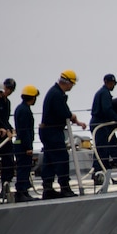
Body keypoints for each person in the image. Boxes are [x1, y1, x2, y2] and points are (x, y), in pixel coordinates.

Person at [39, 70, 86, 199]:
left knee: (49, 159)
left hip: (48, 131)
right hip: (52, 132)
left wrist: (75, 120)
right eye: (72, 84)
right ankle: (64, 187)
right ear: (68, 83)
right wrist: (73, 116)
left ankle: (47, 188)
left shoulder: (54, 93)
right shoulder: (57, 95)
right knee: (61, 158)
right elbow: (63, 112)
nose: (72, 86)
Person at [90, 74, 117, 176]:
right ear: (107, 82)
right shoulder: (105, 94)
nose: (113, 85)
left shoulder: (102, 93)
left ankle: (102, 173)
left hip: (101, 124)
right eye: (112, 83)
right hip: (100, 124)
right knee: (101, 150)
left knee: (106, 148)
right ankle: (98, 174)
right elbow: (107, 109)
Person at [12, 85, 39, 202]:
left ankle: (24, 191)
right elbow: (24, 130)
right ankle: (21, 192)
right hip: (23, 144)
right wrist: (28, 147)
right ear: (32, 97)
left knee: (24, 168)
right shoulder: (24, 110)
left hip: (19, 142)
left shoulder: (20, 108)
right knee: (23, 168)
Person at [0, 78, 17, 189]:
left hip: (5, 136)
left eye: (11, 89)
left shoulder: (7, 102)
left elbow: (5, 119)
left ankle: (6, 183)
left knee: (8, 158)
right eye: (7, 88)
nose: (8, 91)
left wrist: (11, 129)